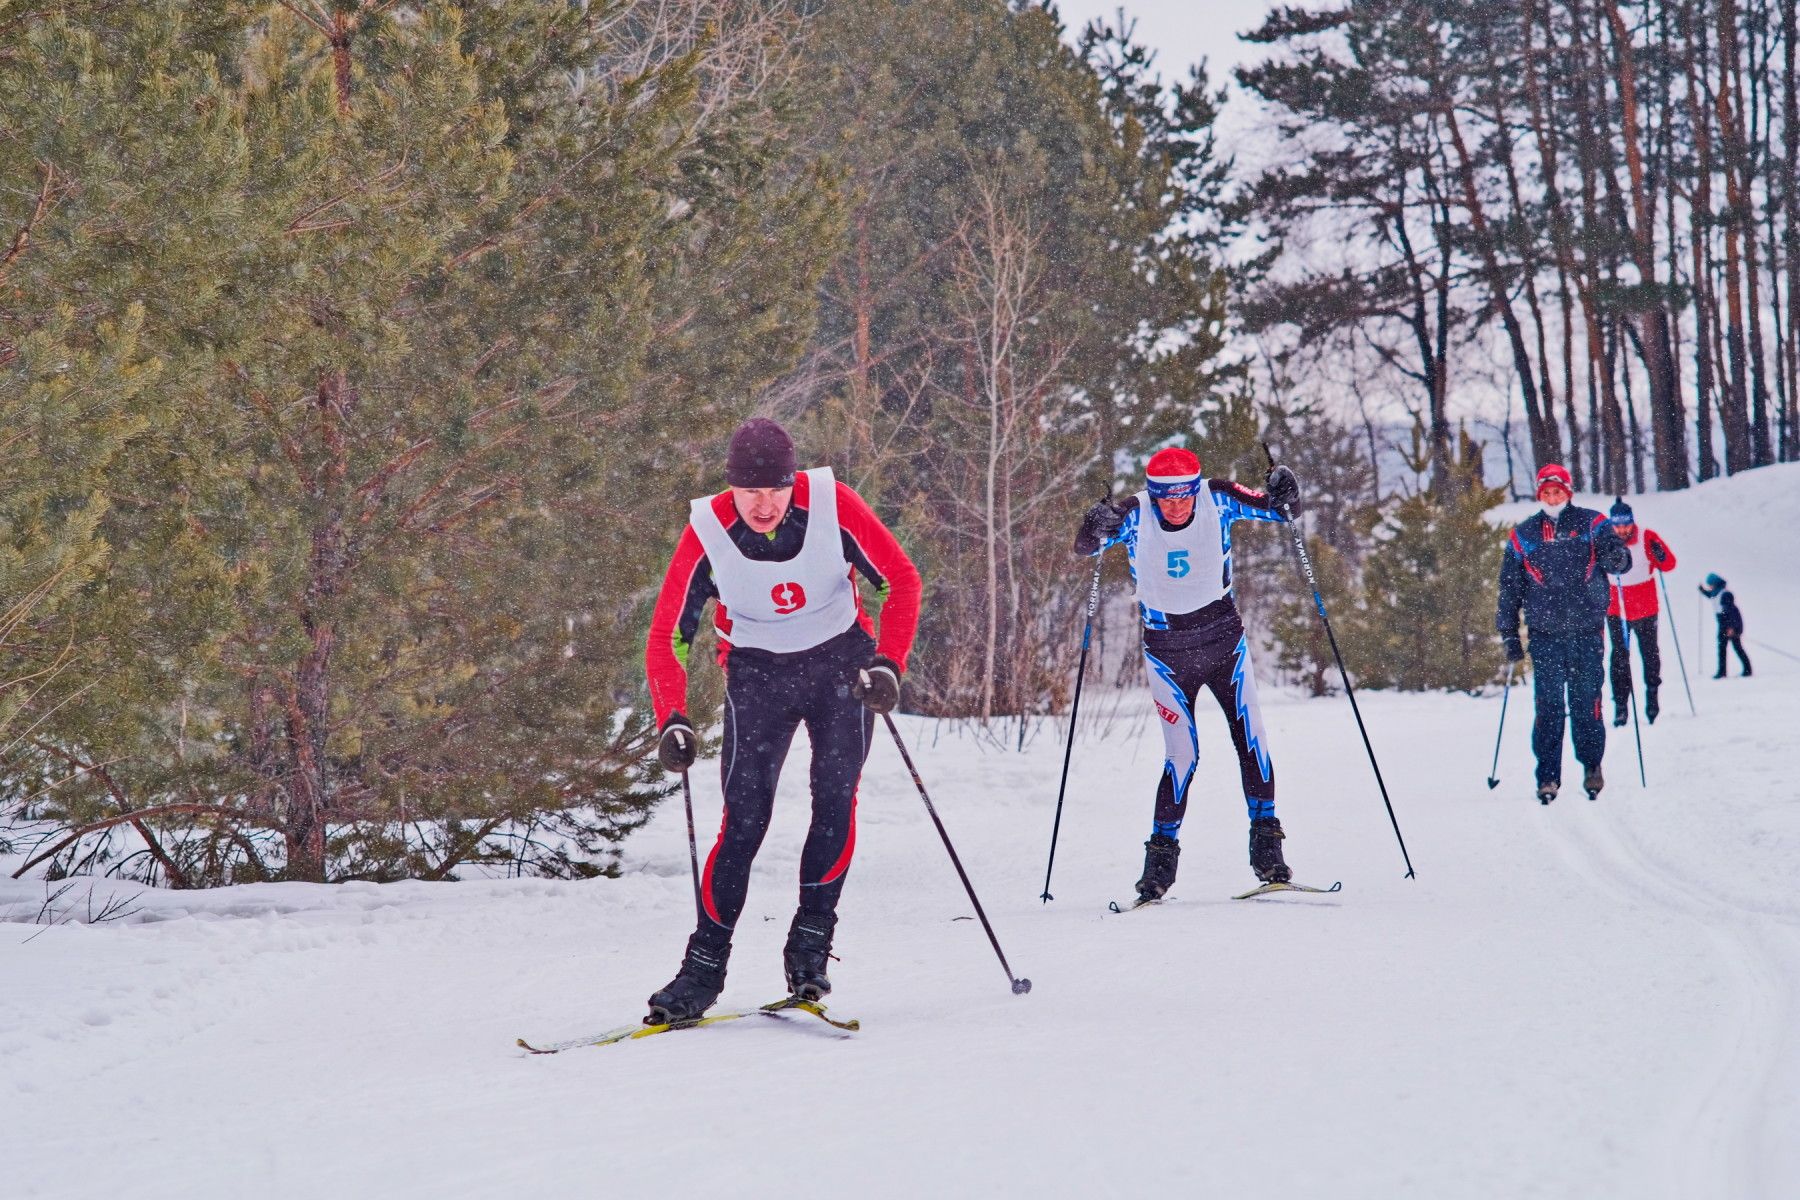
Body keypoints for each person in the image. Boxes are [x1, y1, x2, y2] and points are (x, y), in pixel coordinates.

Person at [642, 417, 921, 1022]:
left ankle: (810, 948)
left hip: (840, 670)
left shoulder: (833, 505)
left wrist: (888, 664)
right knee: (743, 822)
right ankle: (702, 970)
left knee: (834, 797)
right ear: (730, 488)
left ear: (794, 483)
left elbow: (900, 580)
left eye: (776, 490)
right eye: (751, 492)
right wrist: (673, 717)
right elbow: (669, 635)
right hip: (757, 679)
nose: (765, 505)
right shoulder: (707, 531)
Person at [1073, 445, 1299, 901]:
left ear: (1194, 489)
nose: (1176, 505)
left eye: (1183, 495)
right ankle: (1157, 870)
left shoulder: (1216, 496)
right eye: (1166, 497)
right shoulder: (1135, 512)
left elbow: (1283, 513)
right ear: (1153, 494)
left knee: (1251, 741)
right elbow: (1085, 548)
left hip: (1223, 642)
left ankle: (1268, 856)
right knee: (1182, 758)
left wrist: (1286, 489)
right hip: (1166, 651)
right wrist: (1092, 525)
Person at [1495, 464, 1632, 804]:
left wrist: (1616, 556)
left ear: (1568, 492)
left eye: (1558, 491)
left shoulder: (1592, 523)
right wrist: (1509, 634)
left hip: (1587, 630)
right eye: (1546, 492)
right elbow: (1509, 589)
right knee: (1549, 706)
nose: (1552, 497)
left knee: (1587, 702)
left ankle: (1592, 767)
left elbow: (1621, 561)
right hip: (1545, 634)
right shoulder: (1523, 535)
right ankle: (1548, 777)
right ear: (1539, 495)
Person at [1603, 498, 1677, 725]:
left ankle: (1652, 697)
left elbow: (1669, 564)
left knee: (1650, 655)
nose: (1622, 529)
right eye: (1617, 524)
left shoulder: (1646, 536)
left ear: (1632, 522)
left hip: (1645, 608)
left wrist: (1660, 553)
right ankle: (1621, 706)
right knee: (1619, 658)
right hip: (1617, 609)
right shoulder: (1605, 539)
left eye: (1626, 524)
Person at [1699, 573, 1752, 678]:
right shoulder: (1716, 593)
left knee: (1736, 647)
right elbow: (1710, 595)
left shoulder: (1725, 594)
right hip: (1723, 624)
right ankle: (1723, 671)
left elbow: (1729, 612)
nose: (1709, 586)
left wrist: (1731, 628)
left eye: (1710, 584)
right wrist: (1702, 590)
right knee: (1723, 648)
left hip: (1731, 624)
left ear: (1715, 583)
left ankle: (1746, 670)